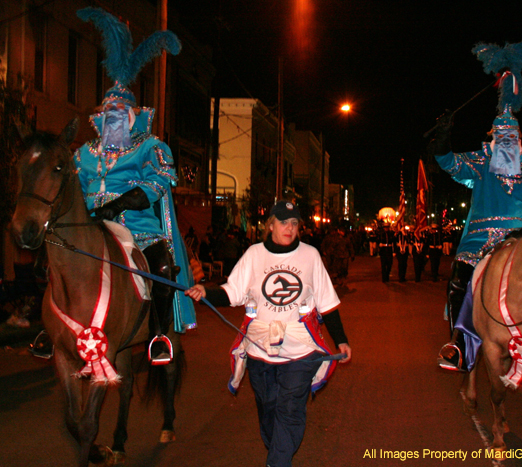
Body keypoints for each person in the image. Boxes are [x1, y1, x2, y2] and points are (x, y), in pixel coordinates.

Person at [185, 201, 351, 467]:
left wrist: (341, 339)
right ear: (270, 225)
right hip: (259, 348)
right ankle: (278, 451)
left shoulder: (310, 255)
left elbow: (327, 303)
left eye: (294, 223)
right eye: (284, 222)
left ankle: (277, 461)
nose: (290, 228)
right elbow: (233, 291)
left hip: (300, 348)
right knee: (268, 408)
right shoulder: (254, 254)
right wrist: (207, 293)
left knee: (290, 408)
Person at [74, 7, 196, 363]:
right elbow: (74, 186)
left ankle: (158, 334)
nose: (113, 121)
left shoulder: (149, 147)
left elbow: (160, 182)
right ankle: (51, 325)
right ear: (100, 119)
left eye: (119, 116)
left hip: (139, 230)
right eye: (107, 116)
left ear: (131, 117)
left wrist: (123, 202)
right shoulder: (84, 153)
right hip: (93, 226)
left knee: (160, 267)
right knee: (58, 260)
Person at [430, 41, 522, 370]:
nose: (505, 143)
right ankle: (458, 342)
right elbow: (448, 162)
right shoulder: (481, 164)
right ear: (493, 140)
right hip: (480, 239)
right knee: (460, 274)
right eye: (500, 138)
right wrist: (444, 137)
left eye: (510, 138)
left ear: (519, 141)